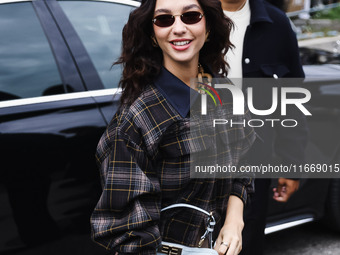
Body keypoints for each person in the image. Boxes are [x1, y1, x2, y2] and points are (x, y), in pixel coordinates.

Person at [90, 0, 256, 254]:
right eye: (164, 19)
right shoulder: (136, 120)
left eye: (190, 16)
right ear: (153, 35)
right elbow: (127, 234)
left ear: (208, 27)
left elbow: (246, 159)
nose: (178, 28)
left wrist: (235, 220)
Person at [219, 0, 308, 255]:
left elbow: (291, 101)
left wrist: (292, 167)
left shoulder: (277, 24)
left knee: (247, 245)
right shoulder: (191, 17)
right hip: (192, 171)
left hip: (253, 171)